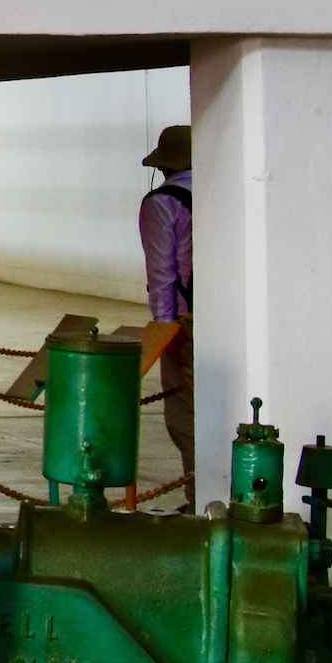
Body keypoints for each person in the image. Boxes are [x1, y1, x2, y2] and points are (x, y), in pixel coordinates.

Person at [140, 124, 194, 488]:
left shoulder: (162, 203)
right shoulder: (226, 193)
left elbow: (162, 272)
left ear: (163, 166)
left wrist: (166, 329)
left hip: (187, 324)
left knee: (186, 417)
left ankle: (199, 500)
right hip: (233, 320)